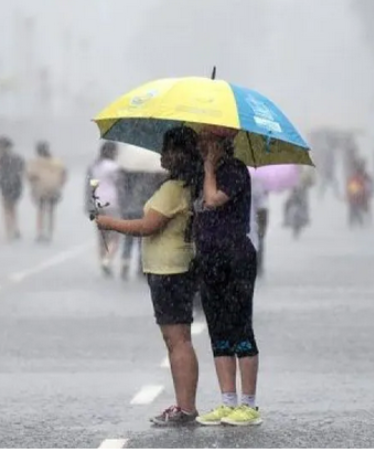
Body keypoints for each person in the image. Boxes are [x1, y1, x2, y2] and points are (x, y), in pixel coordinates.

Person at [94, 127, 202, 426]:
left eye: (167, 150)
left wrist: (110, 223)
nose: (162, 155)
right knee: (176, 339)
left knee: (178, 340)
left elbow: (148, 226)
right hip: (173, 267)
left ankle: (186, 407)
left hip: (170, 269)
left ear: (180, 154)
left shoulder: (174, 189)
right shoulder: (185, 185)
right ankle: (184, 405)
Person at [192, 128, 262, 427]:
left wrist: (208, 169)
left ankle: (248, 405)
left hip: (236, 257)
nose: (202, 147)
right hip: (209, 258)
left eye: (207, 143)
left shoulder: (234, 171)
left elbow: (211, 200)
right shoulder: (202, 172)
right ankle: (227, 401)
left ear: (222, 145)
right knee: (218, 329)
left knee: (240, 327)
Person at [87, 142, 123, 275]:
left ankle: (102, 259)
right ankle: (107, 260)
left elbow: (92, 184)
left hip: (98, 202)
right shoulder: (114, 167)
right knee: (115, 235)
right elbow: (120, 185)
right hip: (112, 203)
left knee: (102, 235)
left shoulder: (95, 166)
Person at [27, 141, 68, 242]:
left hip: (41, 189)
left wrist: (33, 185)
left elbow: (30, 176)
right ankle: (49, 232)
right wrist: (59, 184)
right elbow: (63, 173)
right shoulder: (56, 161)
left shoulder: (36, 162)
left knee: (41, 211)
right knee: (51, 211)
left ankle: (40, 232)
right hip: (53, 189)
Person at [0, 136, 25, 241]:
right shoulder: (18, 158)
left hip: (6, 185)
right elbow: (22, 170)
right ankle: (15, 228)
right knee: (13, 208)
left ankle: (9, 230)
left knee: (7, 208)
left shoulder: (1, 159)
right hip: (16, 185)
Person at [346, 158, 374, 227]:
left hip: (356, 199)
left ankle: (357, 225)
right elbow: (370, 188)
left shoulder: (354, 177)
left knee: (355, 214)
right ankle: (363, 225)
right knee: (363, 213)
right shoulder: (365, 177)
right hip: (361, 199)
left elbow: (350, 189)